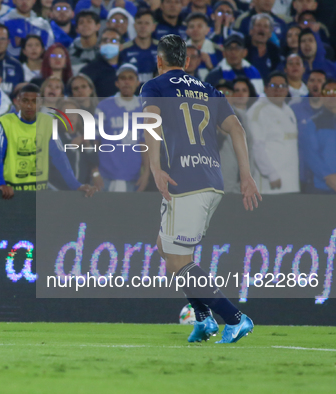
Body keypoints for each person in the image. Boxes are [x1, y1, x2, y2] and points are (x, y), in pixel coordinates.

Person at [141, 34, 261, 344]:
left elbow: (151, 124)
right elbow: (236, 128)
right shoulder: (209, 89)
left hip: (185, 183)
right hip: (213, 181)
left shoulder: (155, 87)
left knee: (178, 260)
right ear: (188, 62)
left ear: (159, 61)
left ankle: (234, 318)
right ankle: (205, 320)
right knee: (165, 247)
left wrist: (155, 168)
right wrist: (246, 176)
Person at [0, 83, 96, 197]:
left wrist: (76, 185)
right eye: (25, 101)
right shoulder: (4, 123)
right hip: (4, 187)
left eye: (34, 101)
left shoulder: (47, 123)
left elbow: (60, 157)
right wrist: (1, 184)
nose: (29, 105)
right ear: (18, 102)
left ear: (40, 103)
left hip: (34, 189)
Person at [94, 64, 150, 193]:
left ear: (137, 82)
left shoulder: (144, 108)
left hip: (134, 176)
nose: (126, 81)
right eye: (123, 78)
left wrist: (146, 172)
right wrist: (94, 172)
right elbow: (93, 141)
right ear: (117, 83)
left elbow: (145, 143)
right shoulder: (103, 106)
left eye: (131, 78)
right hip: (104, 176)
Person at [248, 71, 300, 194]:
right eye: (273, 86)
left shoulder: (289, 111)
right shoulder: (257, 111)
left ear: (287, 89)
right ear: (265, 88)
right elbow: (256, 146)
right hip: (269, 183)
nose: (278, 90)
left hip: (290, 181)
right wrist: (271, 173)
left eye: (282, 86)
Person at [298, 80, 336, 194]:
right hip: (321, 187)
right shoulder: (313, 123)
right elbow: (311, 155)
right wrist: (327, 176)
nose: (331, 95)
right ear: (322, 96)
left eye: (335, 91)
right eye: (327, 92)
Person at [80, 28, 121, 98]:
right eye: (105, 40)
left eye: (113, 40)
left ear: (121, 46)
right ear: (99, 45)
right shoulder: (89, 70)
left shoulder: (128, 67)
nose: (109, 43)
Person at [119, 9, 158, 83]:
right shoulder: (124, 49)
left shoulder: (162, 48)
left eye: (147, 23)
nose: (143, 27)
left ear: (154, 26)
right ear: (134, 26)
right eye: (139, 23)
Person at [185, 12, 222, 81]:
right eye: (192, 27)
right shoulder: (179, 51)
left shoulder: (218, 51)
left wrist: (210, 66)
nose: (195, 30)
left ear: (207, 30)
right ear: (187, 31)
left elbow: (221, 78)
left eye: (199, 26)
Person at [245, 13, 282, 80]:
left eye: (265, 26)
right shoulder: (243, 47)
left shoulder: (275, 52)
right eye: (258, 25)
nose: (261, 29)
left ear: (270, 34)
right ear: (251, 31)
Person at [68, 10, 100, 75]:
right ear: (77, 29)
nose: (85, 25)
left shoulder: (104, 50)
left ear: (97, 26)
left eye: (89, 22)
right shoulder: (70, 52)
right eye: (81, 23)